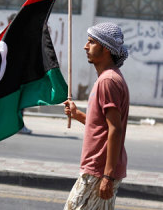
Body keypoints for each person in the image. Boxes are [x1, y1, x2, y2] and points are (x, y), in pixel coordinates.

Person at [63, 22, 129, 210]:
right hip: (99, 170)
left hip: (98, 171)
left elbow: (115, 129)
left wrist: (107, 176)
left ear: (106, 48)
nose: (86, 46)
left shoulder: (108, 81)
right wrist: (77, 115)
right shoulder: (106, 78)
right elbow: (102, 126)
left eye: (91, 42)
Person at [0, 13, 32, 135]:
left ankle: (18, 125)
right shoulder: (4, 33)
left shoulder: (22, 35)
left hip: (17, 72)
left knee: (19, 98)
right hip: (4, 72)